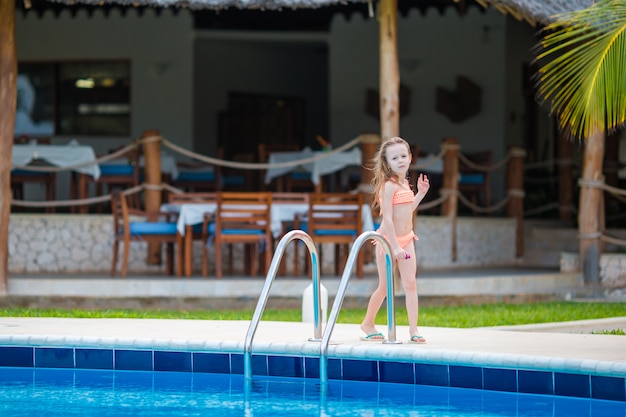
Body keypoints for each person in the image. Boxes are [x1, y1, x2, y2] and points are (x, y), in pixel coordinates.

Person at [360, 136, 430, 344]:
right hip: (388, 241)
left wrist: (420, 194)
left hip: (407, 239)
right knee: (385, 287)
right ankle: (367, 323)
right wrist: (396, 246)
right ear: (387, 162)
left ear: (410, 158)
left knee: (410, 284)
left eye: (403, 156)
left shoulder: (404, 183)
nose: (400, 160)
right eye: (394, 158)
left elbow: (406, 212)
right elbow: (388, 220)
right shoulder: (388, 186)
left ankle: (414, 330)